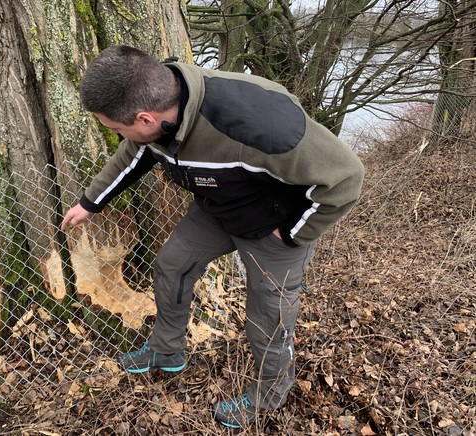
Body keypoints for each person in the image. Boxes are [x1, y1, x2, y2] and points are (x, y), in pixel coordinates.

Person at [61, 45, 364, 429]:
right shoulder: (158, 113)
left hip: (274, 225)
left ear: (144, 118)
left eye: (119, 129)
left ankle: (268, 397)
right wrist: (91, 202)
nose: (121, 136)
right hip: (217, 208)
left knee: (268, 316)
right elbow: (135, 152)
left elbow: (347, 177)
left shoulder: (265, 126)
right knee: (172, 264)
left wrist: (289, 235)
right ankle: (166, 350)